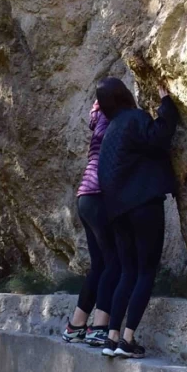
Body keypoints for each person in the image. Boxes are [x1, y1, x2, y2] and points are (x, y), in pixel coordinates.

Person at [96, 77, 179, 359]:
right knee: (146, 271)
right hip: (143, 205)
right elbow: (160, 135)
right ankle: (128, 340)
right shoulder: (133, 119)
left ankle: (112, 336)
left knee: (127, 271)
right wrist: (166, 103)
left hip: (116, 212)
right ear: (124, 95)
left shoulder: (109, 134)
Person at [62, 100, 120, 347]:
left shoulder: (97, 122)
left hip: (84, 196)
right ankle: (99, 327)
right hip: (98, 196)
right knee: (114, 263)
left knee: (99, 264)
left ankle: (75, 325)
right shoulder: (112, 123)